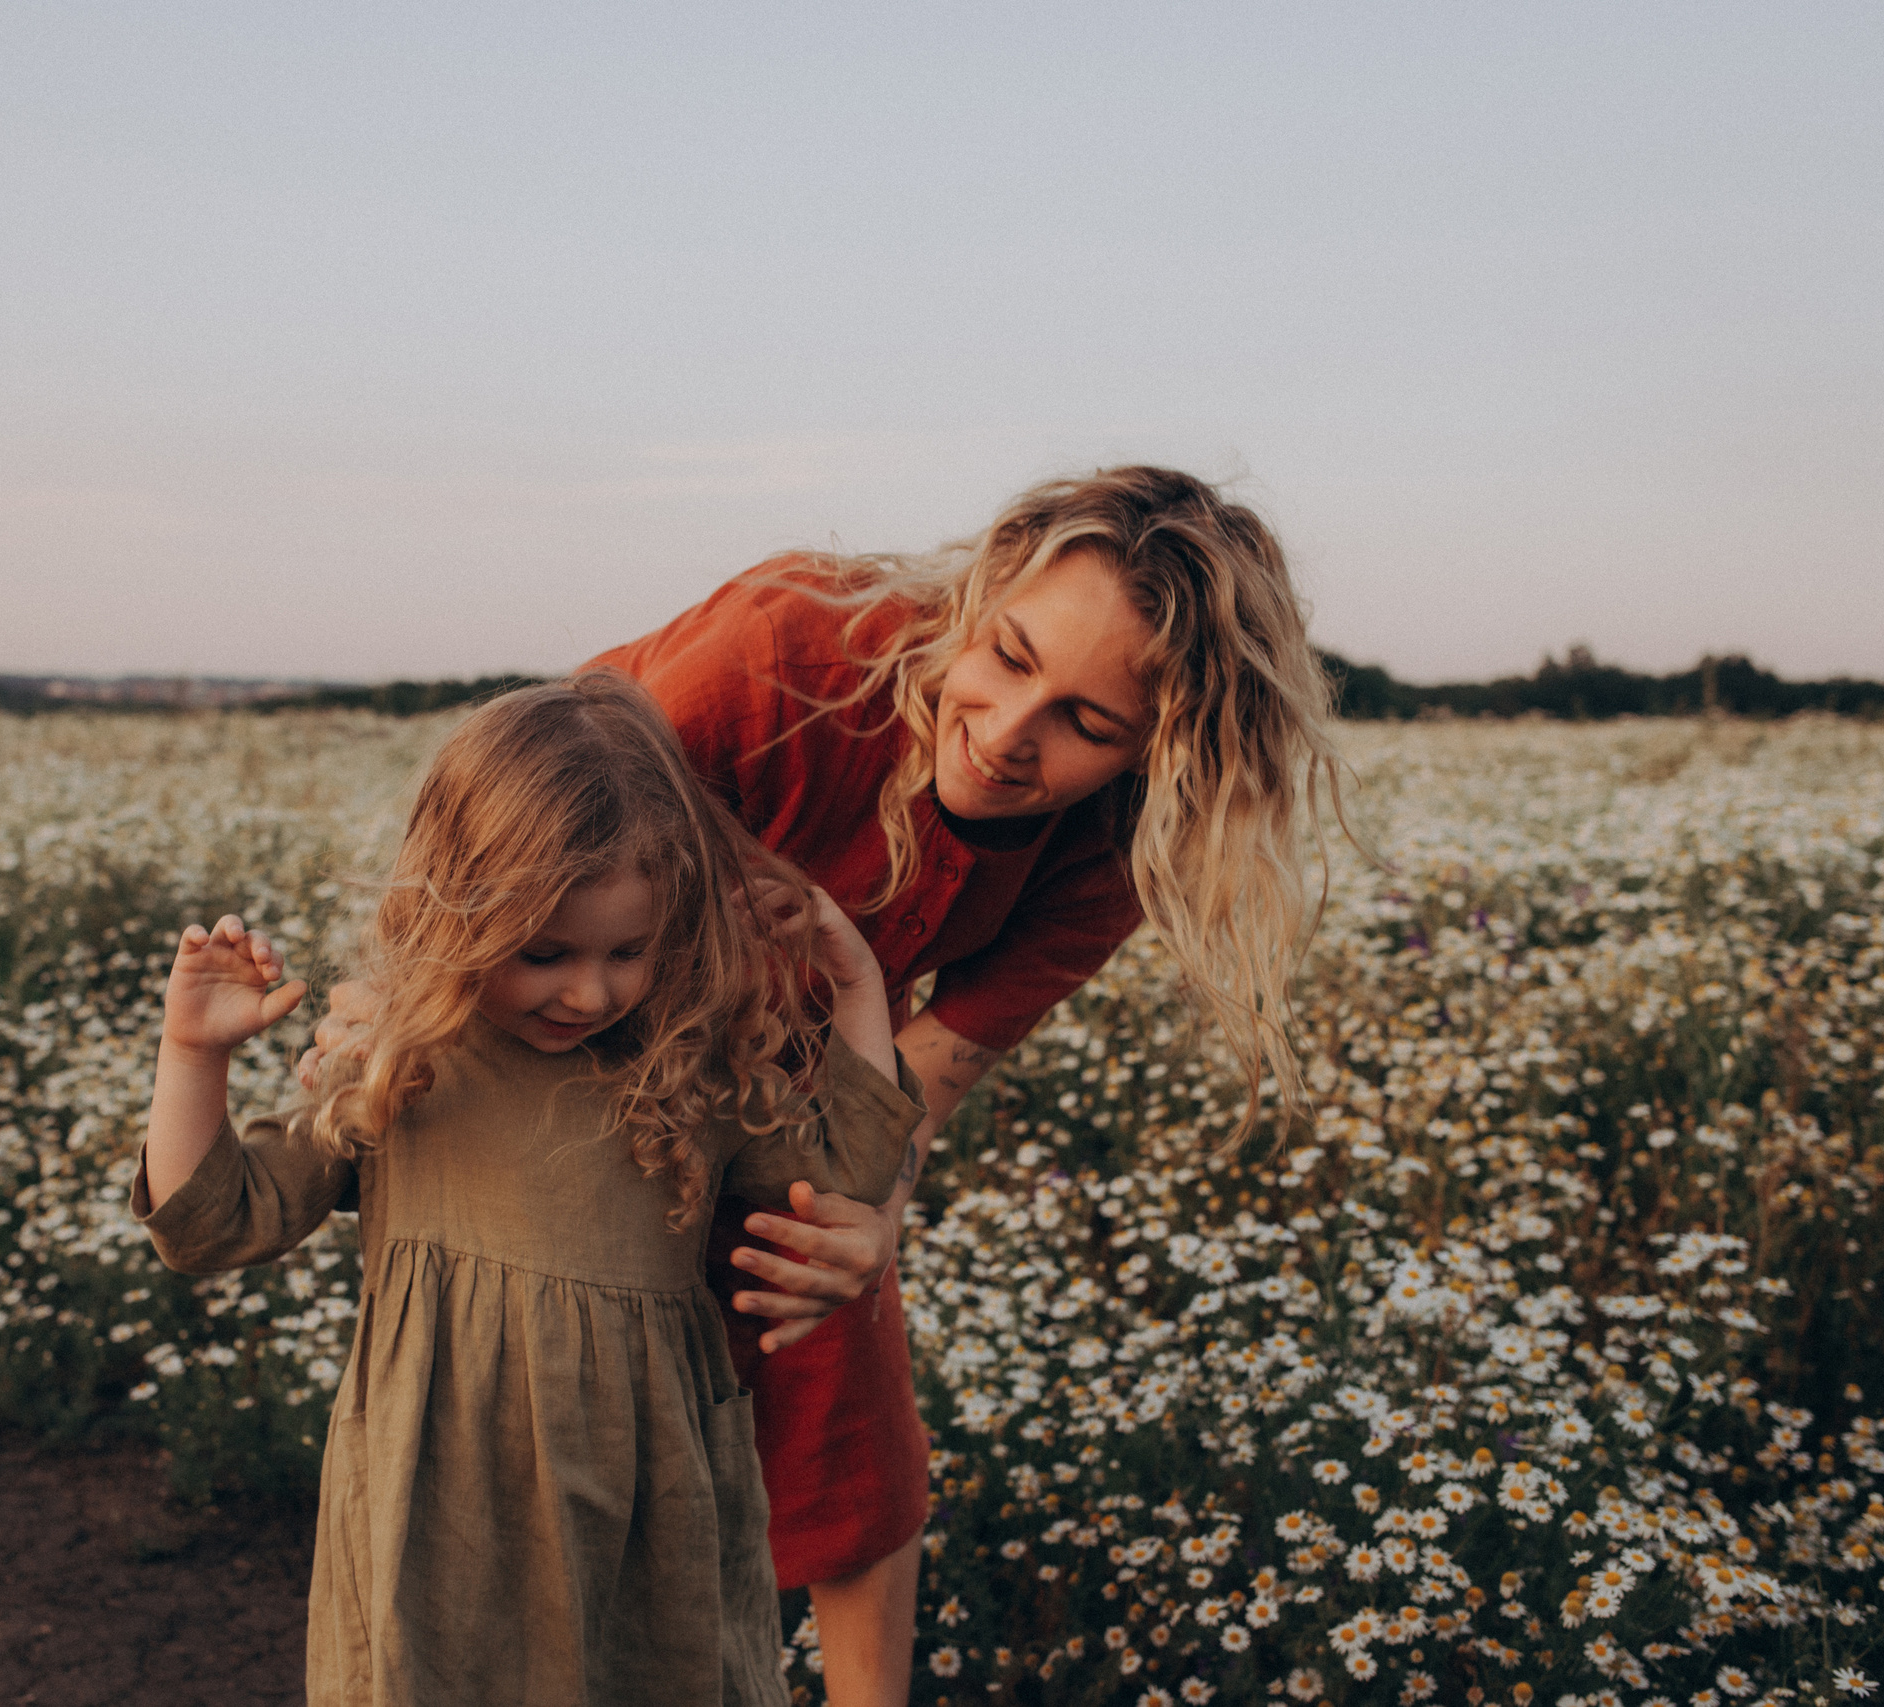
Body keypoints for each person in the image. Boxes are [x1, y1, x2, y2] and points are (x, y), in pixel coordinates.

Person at [312, 464, 1343, 1705]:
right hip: (580, 1030)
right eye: (1008, 657)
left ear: (1160, 751)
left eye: (1088, 723)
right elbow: (516, 824)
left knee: (846, 1399)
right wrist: (406, 1002)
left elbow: (933, 1066)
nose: (1009, 735)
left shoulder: (1120, 850)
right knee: (563, 1393)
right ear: (977, 595)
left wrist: (868, 1215)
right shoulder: (786, 650)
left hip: (801, 1070)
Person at [134, 673, 928, 1707]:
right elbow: (209, 1224)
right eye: (543, 953)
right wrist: (191, 1056)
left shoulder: (690, 1068)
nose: (588, 991)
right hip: (446, 1511)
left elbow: (849, 1171)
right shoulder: (398, 1065)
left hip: (649, 1504)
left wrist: (855, 978)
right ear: (455, 912)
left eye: (628, 952)